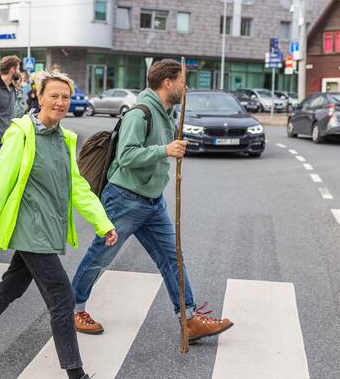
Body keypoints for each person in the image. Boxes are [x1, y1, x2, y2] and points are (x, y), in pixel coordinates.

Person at [0, 71, 118, 378]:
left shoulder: (63, 138)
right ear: (39, 97)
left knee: (11, 287)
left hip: (46, 228)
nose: (59, 102)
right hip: (31, 228)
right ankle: (76, 374)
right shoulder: (23, 132)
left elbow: (76, 185)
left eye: (65, 97)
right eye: (53, 95)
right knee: (62, 298)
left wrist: (102, 222)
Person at [70, 59, 233, 342]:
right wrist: (165, 150)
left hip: (152, 202)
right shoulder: (140, 113)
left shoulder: (167, 112)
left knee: (172, 258)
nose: (186, 86)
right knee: (100, 257)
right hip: (124, 199)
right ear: (167, 82)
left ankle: (189, 320)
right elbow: (127, 156)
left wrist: (169, 148)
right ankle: (73, 310)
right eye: (182, 80)